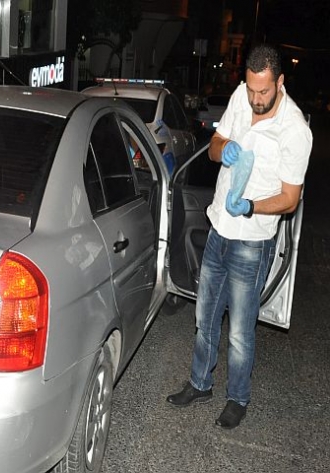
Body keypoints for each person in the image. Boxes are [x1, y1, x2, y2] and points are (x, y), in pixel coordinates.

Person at [166, 44, 312, 429]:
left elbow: (290, 198)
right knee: (205, 316)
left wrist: (250, 206)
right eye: (251, 89)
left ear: (280, 83)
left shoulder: (295, 130)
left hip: (253, 240)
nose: (255, 99)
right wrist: (226, 147)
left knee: (240, 332)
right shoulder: (240, 97)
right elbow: (213, 148)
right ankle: (200, 383)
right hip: (219, 229)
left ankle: (238, 397)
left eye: (263, 91)